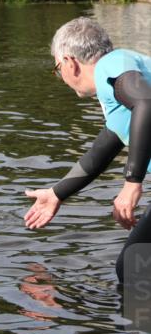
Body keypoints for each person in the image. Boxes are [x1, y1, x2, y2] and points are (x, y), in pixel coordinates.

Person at [24, 17, 151, 282]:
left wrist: (132, 182)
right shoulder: (119, 91)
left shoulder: (111, 65)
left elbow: (146, 105)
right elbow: (101, 151)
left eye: (58, 69)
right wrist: (57, 193)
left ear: (70, 63)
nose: (61, 78)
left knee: (134, 269)